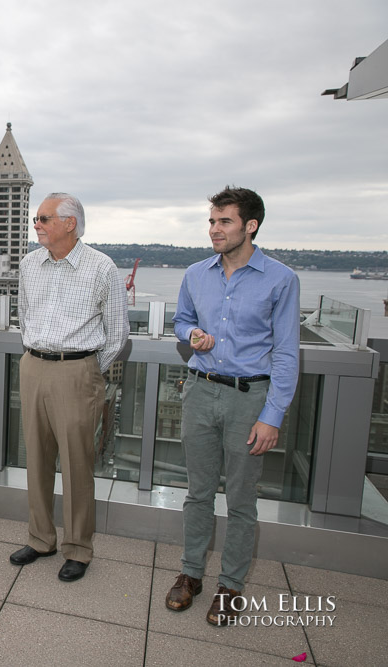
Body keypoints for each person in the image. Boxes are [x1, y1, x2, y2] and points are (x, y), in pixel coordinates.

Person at [165, 186, 300, 625]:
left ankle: (231, 585)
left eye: (224, 221)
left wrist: (271, 415)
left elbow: (286, 353)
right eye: (211, 221)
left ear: (250, 225)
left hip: (250, 399)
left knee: (241, 500)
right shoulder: (196, 274)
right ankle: (190, 574)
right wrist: (192, 336)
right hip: (200, 391)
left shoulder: (281, 279)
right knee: (198, 494)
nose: (215, 230)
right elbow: (182, 321)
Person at [10, 193, 128, 582]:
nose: (36, 224)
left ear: (69, 223)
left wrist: (88, 371)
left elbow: (117, 334)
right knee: (37, 459)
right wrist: (36, 355)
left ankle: (78, 548)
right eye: (36, 218)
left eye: (43, 218)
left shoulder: (101, 267)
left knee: (78, 463)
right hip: (33, 366)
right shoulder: (29, 263)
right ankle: (41, 538)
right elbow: (24, 315)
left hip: (78, 372)